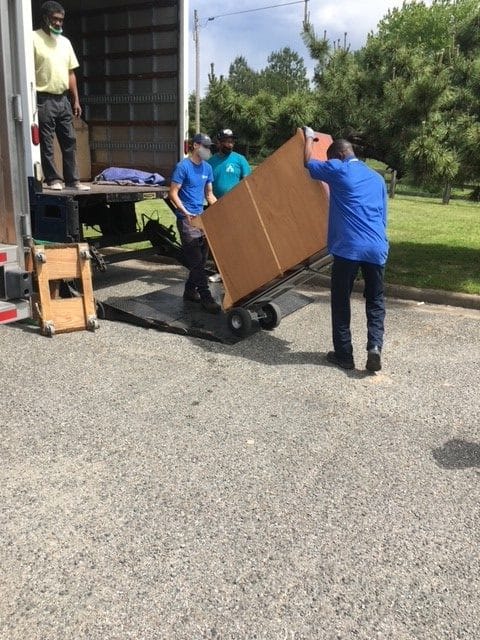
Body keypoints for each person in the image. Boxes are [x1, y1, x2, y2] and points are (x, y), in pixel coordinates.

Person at [302, 128, 389, 372]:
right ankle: (374, 348)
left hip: (348, 249)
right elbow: (383, 216)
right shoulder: (377, 178)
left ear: (340, 154)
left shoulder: (339, 169)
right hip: (376, 247)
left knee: (341, 301)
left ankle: (344, 356)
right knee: (375, 301)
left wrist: (309, 137)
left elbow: (307, 162)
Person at [33, 1, 90, 191]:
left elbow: (70, 73)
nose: (58, 23)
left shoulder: (65, 42)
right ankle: (53, 179)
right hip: (43, 98)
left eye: (61, 20)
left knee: (69, 141)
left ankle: (73, 181)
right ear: (45, 18)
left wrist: (76, 99)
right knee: (47, 142)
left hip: (63, 98)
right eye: (55, 19)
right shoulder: (33, 39)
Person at [168, 133, 221, 314]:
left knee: (201, 259)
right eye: (206, 146)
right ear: (196, 145)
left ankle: (190, 291)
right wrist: (185, 211)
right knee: (197, 261)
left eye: (209, 147)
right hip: (186, 219)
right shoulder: (183, 167)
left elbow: (209, 195)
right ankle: (206, 297)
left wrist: (223, 209)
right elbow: (173, 193)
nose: (208, 150)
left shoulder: (207, 167)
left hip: (201, 218)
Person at [207, 128, 252, 282]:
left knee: (237, 240)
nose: (230, 144)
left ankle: (240, 272)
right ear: (218, 143)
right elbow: (207, 187)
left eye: (232, 141)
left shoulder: (240, 160)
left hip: (236, 207)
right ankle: (220, 272)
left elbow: (247, 183)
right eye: (226, 141)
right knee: (219, 242)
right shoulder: (211, 162)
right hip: (216, 207)